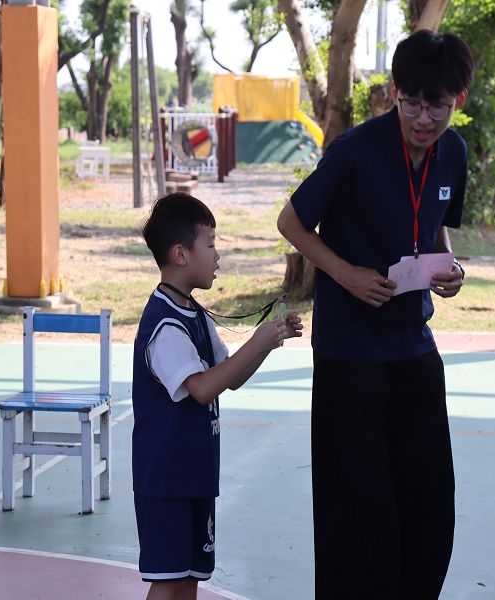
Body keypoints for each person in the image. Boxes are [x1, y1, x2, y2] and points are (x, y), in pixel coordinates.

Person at [277, 30, 475, 599]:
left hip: (412, 344)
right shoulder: (355, 151)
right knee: (358, 508)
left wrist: (450, 268)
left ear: (458, 100)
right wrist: (345, 274)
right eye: (412, 104)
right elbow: (291, 223)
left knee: (430, 502)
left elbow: (434, 230)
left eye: (437, 107)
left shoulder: (453, 154)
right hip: (349, 352)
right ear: (394, 93)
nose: (423, 119)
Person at [132, 192, 302, 600]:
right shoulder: (165, 325)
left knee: (189, 577)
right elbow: (203, 388)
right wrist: (257, 341)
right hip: (166, 479)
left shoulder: (194, 313)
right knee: (168, 580)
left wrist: (268, 342)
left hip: (195, 474)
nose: (217, 255)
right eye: (210, 244)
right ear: (180, 254)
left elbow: (231, 377)